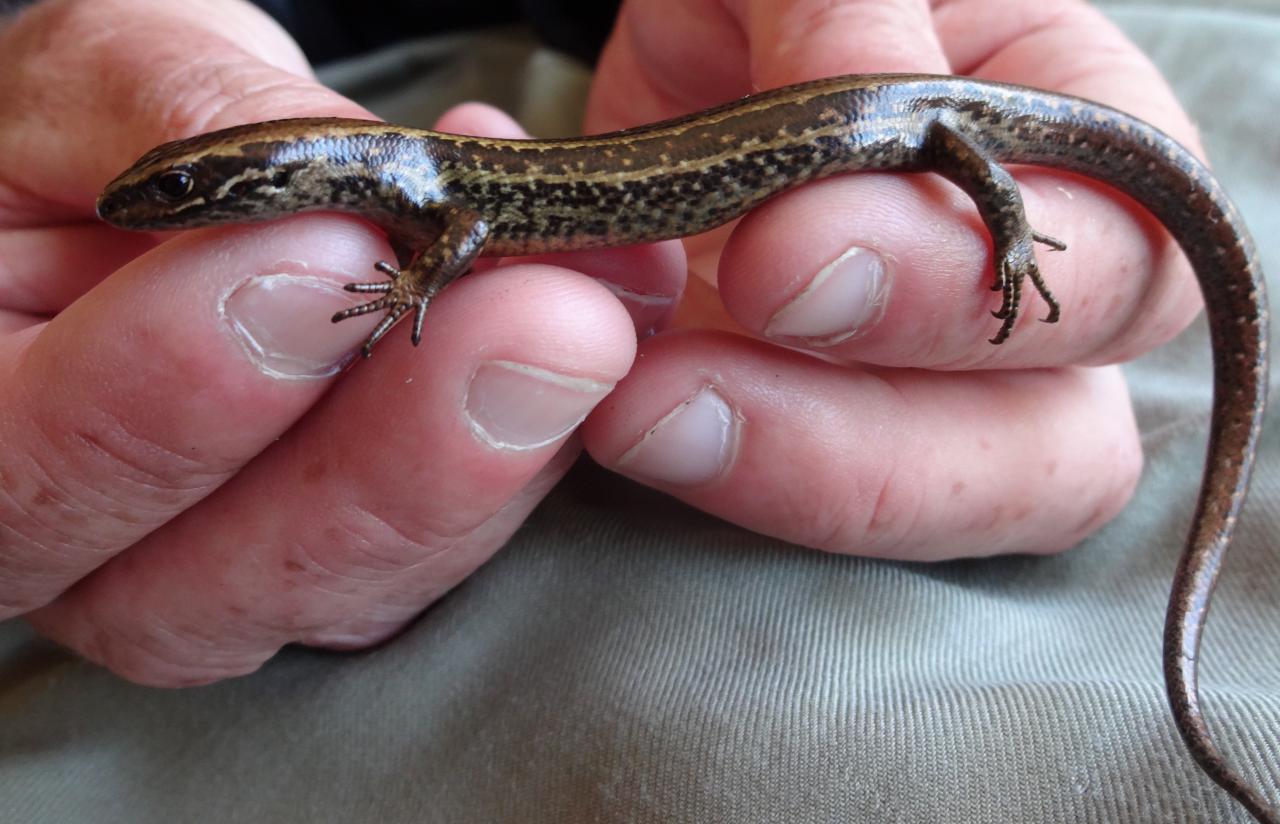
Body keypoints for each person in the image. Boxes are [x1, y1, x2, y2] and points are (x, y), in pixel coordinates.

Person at [0, 0, 1275, 821]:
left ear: (263, 179)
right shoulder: (409, 177)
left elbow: (462, 230)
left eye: (183, 198)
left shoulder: (428, 191)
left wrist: (1007, 231)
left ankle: (1005, 229)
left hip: (921, 113)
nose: (164, 213)